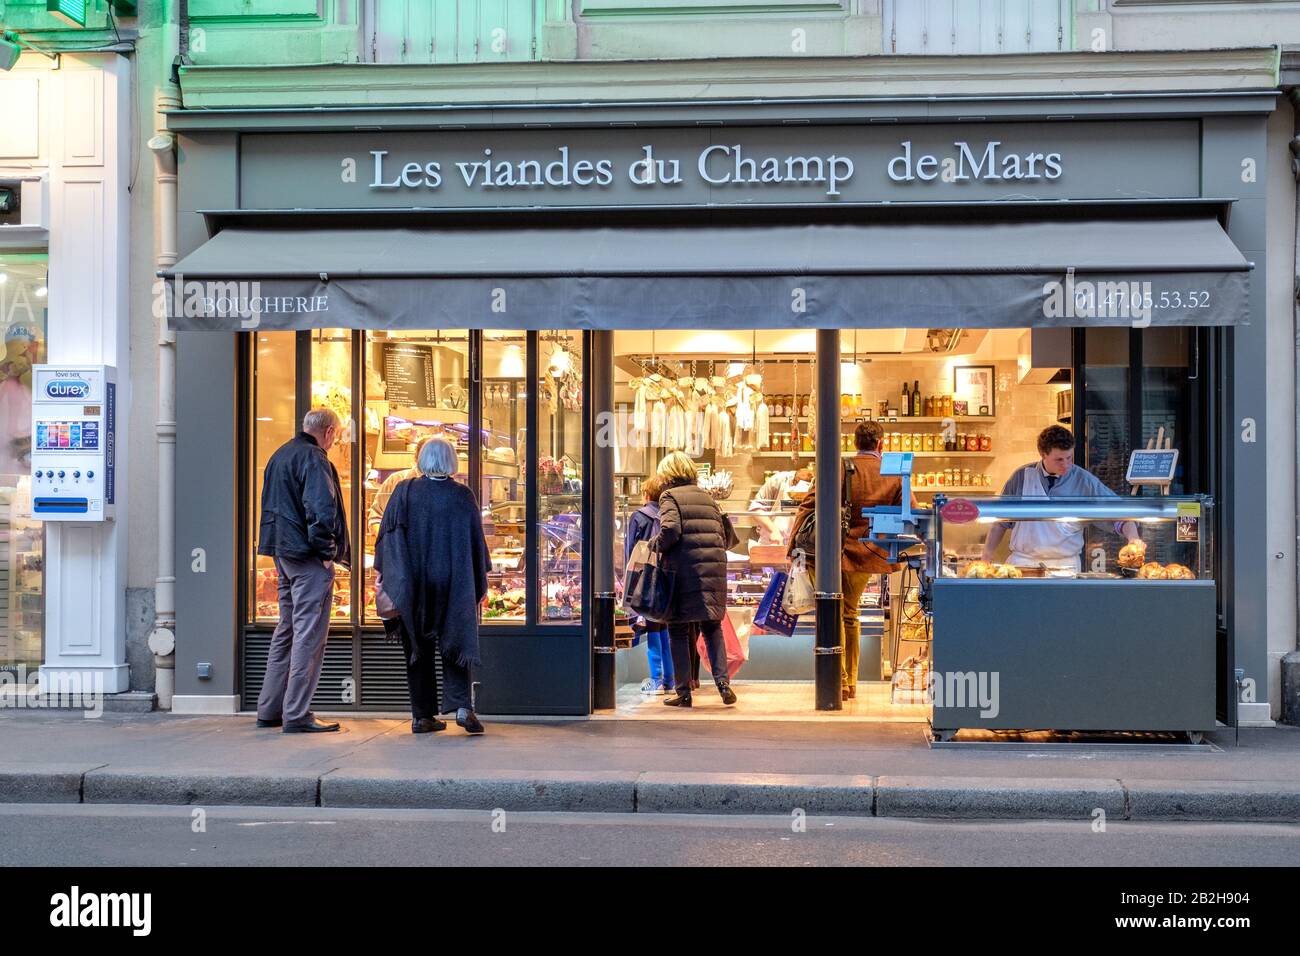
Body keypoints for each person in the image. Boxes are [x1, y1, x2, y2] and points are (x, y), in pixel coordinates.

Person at [789, 421, 914, 701]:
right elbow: (911, 511)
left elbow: (808, 505)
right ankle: (851, 682)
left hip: (832, 552)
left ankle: (838, 681)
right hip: (868, 553)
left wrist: (792, 547)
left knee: (830, 612)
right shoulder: (893, 471)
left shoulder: (839, 467)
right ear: (881, 444)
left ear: (855, 443)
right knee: (850, 613)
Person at [375, 436, 490, 735]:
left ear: (422, 460)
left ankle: (422, 715)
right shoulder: (462, 496)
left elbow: (387, 536)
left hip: (414, 583)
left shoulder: (404, 490)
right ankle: (463, 707)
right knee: (456, 640)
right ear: (452, 462)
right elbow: (477, 544)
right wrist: (480, 582)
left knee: (417, 646)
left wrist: (386, 574)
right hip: (454, 582)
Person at [255, 408, 351, 734]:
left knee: (287, 631)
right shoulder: (314, 458)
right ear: (327, 432)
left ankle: (270, 709)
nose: (335, 441)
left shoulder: (280, 455)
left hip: (282, 553)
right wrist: (327, 553)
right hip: (308, 558)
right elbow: (321, 508)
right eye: (336, 435)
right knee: (308, 637)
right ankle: (296, 714)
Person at [981, 424, 1142, 572]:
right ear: (1043, 454)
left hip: (1066, 568)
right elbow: (1000, 523)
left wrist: (1133, 539)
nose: (1066, 464)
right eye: (1059, 459)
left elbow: (1120, 515)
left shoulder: (1084, 481)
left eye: (1069, 458)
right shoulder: (1021, 477)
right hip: (1022, 565)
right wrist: (986, 557)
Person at [651, 451, 740, 708]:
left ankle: (683, 691)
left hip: (683, 571)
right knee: (712, 628)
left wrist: (653, 545)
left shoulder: (669, 496)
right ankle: (723, 685)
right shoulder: (708, 498)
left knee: (678, 629)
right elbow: (724, 533)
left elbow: (670, 530)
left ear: (667, 474)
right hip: (713, 570)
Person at [624, 475, 675, 695]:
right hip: (665, 575)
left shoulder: (639, 516)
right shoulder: (668, 515)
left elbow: (630, 551)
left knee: (651, 628)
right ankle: (670, 678)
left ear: (646, 494)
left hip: (644, 577)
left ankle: (655, 678)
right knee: (663, 626)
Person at [366, 436, 432, 535]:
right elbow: (376, 519)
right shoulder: (395, 481)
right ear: (416, 457)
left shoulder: (449, 491)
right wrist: (389, 543)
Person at [749, 466, 813, 546]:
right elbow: (756, 508)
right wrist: (773, 531)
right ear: (793, 481)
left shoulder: (817, 486)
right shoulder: (778, 480)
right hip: (771, 542)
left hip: (800, 545)